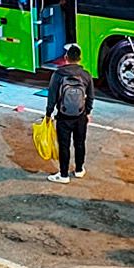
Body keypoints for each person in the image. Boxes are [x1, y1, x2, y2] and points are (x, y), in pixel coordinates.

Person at [45, 44, 94, 184]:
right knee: (80, 143)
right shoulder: (86, 75)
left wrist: (48, 114)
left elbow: (52, 96)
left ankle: (64, 174)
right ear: (80, 58)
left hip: (63, 117)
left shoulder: (58, 74)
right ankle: (79, 170)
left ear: (66, 58)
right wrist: (88, 112)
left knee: (64, 145)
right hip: (80, 116)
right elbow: (90, 97)